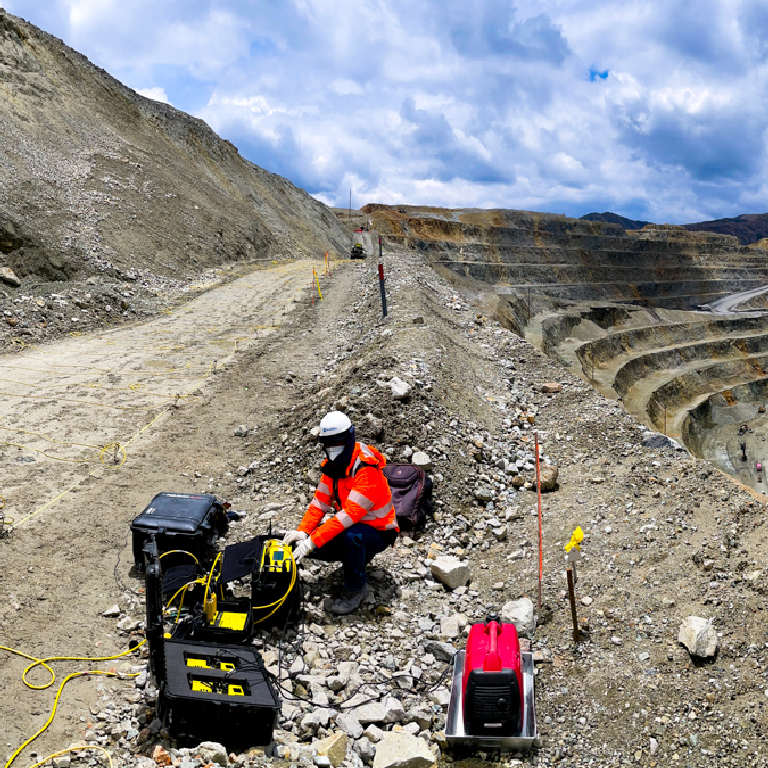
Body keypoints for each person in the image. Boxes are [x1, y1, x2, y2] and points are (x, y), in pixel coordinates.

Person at [283, 411, 397, 614]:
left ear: (348, 439)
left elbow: (348, 516)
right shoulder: (333, 468)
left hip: (379, 531)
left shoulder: (366, 470)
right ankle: (355, 559)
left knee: (350, 539)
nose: (332, 449)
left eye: (337, 443)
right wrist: (303, 532)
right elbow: (319, 503)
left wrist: (312, 541)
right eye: (328, 444)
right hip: (353, 527)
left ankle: (356, 589)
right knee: (307, 543)